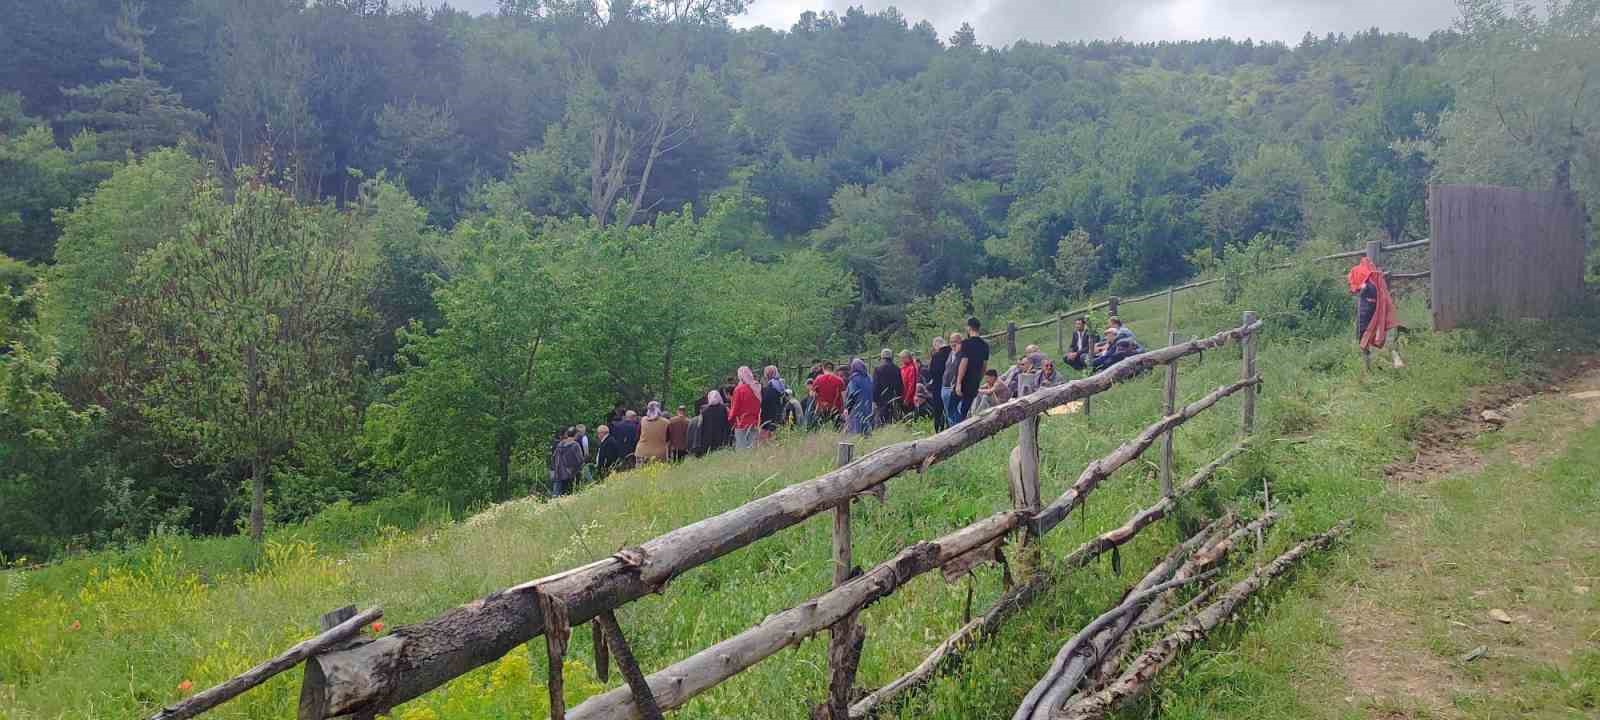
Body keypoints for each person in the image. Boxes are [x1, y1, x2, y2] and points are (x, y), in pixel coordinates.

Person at [1349, 256, 1404, 371]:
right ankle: (1390, 360)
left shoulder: (1367, 280)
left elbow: (1358, 289)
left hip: (1368, 314)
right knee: (1381, 339)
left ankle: (1368, 368)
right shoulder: (1378, 281)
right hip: (1381, 316)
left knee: (1364, 339)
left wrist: (1361, 289)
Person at [951, 317, 991, 424]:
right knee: (964, 410)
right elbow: (984, 367)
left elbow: (963, 363)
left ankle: (956, 429)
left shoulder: (966, 344)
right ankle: (962, 427)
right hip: (974, 381)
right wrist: (978, 379)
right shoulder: (985, 345)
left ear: (969, 328)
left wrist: (958, 382)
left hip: (964, 381)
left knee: (951, 407)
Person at [730, 366, 762, 450]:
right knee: (753, 447)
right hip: (756, 421)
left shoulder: (739, 389)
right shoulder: (757, 387)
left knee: (742, 448)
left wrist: (730, 418)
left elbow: (735, 407)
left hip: (742, 422)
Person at [549, 427, 585, 497]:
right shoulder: (575, 445)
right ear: (576, 434)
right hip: (570, 474)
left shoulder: (560, 444)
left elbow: (553, 458)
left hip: (558, 473)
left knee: (558, 495)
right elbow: (580, 460)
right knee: (569, 495)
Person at [927, 336, 952, 431]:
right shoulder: (953, 353)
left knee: (938, 409)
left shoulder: (936, 356)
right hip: (951, 384)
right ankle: (952, 426)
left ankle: (938, 429)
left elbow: (932, 372)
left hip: (938, 386)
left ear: (936, 345)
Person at [845, 357, 875, 435]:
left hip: (857, 408)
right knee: (866, 427)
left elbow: (852, 395)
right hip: (868, 406)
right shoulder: (869, 378)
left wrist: (848, 408)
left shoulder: (854, 379)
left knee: (856, 428)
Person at [873, 349, 902, 426]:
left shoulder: (878, 369)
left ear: (882, 358)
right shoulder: (897, 369)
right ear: (891, 358)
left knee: (882, 422)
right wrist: (899, 398)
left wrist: (875, 400)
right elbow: (900, 385)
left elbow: (876, 386)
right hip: (894, 399)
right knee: (894, 421)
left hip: (882, 401)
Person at [812, 361, 845, 426]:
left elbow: (813, 394)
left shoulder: (818, 379)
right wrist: (843, 410)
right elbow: (843, 396)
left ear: (823, 369)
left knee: (820, 430)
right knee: (838, 430)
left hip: (822, 408)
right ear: (833, 369)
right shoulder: (840, 380)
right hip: (836, 409)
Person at [760, 365, 786, 443]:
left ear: (768, 374)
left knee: (769, 439)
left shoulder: (770, 387)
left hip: (769, 416)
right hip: (779, 413)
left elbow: (765, 402)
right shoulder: (781, 384)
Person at [943, 332, 963, 427]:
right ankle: (952, 430)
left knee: (956, 411)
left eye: (955, 341)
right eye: (951, 342)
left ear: (960, 342)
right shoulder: (951, 353)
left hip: (955, 388)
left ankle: (959, 429)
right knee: (948, 413)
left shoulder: (962, 355)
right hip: (945, 387)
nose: (953, 344)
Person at [898, 350, 919, 416]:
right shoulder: (904, 367)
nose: (901, 360)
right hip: (903, 395)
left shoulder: (912, 368)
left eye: (902, 358)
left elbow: (911, 385)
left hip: (909, 398)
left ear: (907, 358)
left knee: (909, 415)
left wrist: (907, 398)